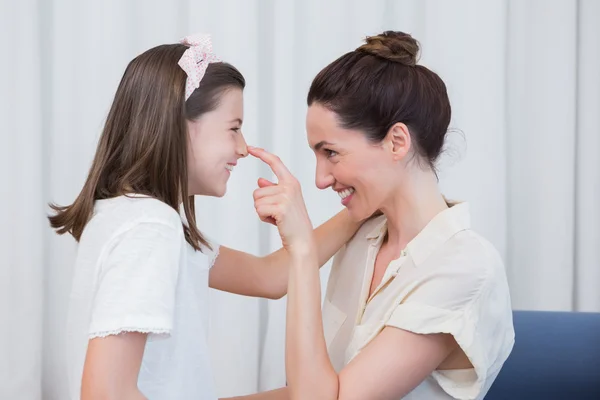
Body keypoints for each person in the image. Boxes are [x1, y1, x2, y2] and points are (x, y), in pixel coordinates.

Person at [47, 33, 361, 400]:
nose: (243, 148)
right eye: (234, 128)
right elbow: (105, 393)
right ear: (180, 125)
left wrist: (360, 208)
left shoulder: (129, 216)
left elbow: (269, 277)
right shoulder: (149, 228)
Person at [246, 31, 514, 400]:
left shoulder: (463, 267)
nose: (320, 179)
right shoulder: (363, 230)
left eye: (332, 153)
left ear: (397, 142)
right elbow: (270, 280)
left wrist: (304, 251)